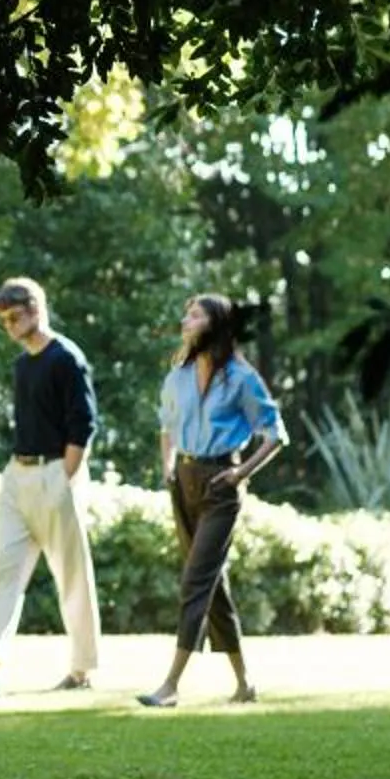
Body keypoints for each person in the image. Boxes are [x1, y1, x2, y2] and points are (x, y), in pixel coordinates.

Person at [0, 276, 103, 694]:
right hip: (18, 473)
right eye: (4, 321)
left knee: (71, 575)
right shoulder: (21, 366)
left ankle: (82, 672)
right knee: (3, 568)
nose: (10, 326)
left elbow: (83, 425)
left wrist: (64, 478)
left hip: (56, 472)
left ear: (35, 309)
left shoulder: (66, 358)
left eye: (14, 316)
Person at [139, 293, 287, 708]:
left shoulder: (241, 378)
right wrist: (168, 465)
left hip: (221, 483)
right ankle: (245, 684)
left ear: (217, 325)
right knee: (211, 587)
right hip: (182, 482)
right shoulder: (178, 376)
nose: (186, 320)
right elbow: (166, 424)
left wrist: (241, 473)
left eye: (196, 315)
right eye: (186, 313)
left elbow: (275, 435)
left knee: (194, 582)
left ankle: (170, 685)